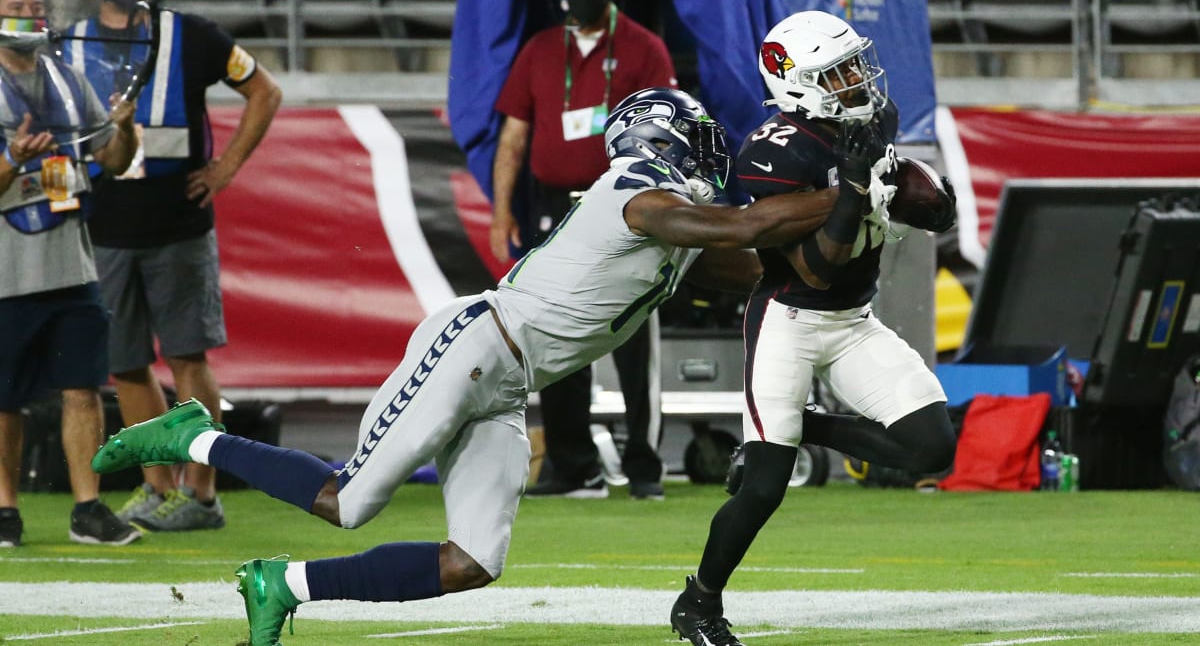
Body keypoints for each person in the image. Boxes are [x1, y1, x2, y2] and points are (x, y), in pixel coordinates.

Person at [92, 87, 843, 645]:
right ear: (666, 138)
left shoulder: (679, 234)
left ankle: (282, 583)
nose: (715, 154)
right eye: (701, 139)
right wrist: (840, 194)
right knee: (345, 499)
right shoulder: (633, 194)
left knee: (471, 561)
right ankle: (194, 435)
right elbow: (746, 224)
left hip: (511, 385)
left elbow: (774, 271)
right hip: (478, 342)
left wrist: (857, 237)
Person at [668, 11, 960, 646]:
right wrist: (854, 190)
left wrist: (922, 197)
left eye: (856, 64)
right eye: (840, 71)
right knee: (765, 489)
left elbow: (939, 218)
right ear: (797, 82)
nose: (858, 79)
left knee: (932, 448)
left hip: (854, 321)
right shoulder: (775, 152)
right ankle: (698, 602)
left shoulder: (868, 121)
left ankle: (805, 429)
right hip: (790, 317)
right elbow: (818, 269)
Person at [64, 0, 281, 532]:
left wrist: (226, 168)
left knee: (188, 357)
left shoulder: (195, 35)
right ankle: (157, 485)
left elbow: (265, 90)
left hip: (178, 226)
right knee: (125, 364)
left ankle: (202, 495)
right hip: (100, 229)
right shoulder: (70, 42)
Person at [492, 0, 676, 499]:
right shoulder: (540, 49)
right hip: (555, 211)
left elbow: (665, 129)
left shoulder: (644, 47)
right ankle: (574, 466)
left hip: (625, 207)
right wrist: (501, 209)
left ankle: (644, 467)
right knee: (553, 332)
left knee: (636, 338)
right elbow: (514, 136)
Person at [0, 0, 140, 547]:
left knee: (83, 388)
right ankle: (5, 510)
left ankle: (89, 507)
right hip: (7, 272)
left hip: (72, 265)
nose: (29, 14)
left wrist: (126, 132)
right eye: (15, 5)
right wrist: (11, 159)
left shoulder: (69, 79)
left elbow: (113, 158)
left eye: (35, 5)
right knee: (3, 400)